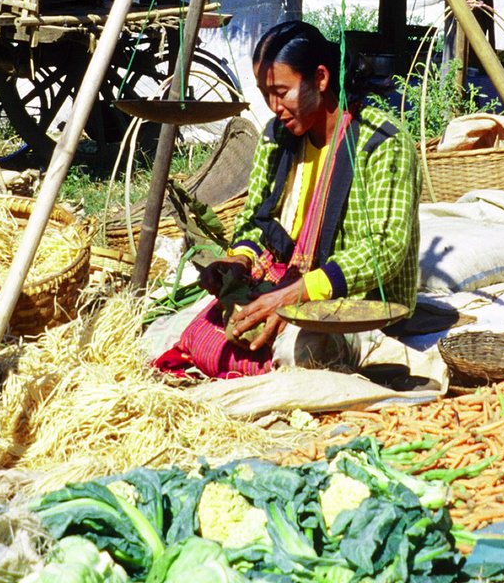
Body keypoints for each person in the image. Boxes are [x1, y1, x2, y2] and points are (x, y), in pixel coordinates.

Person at [162, 21, 421, 377]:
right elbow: (256, 215)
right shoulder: (278, 135)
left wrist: (296, 294)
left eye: (281, 92)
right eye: (265, 93)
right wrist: (240, 260)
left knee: (297, 353)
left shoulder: (383, 143)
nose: (273, 106)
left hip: (361, 302)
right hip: (290, 277)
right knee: (205, 334)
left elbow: (384, 251)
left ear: (320, 78)